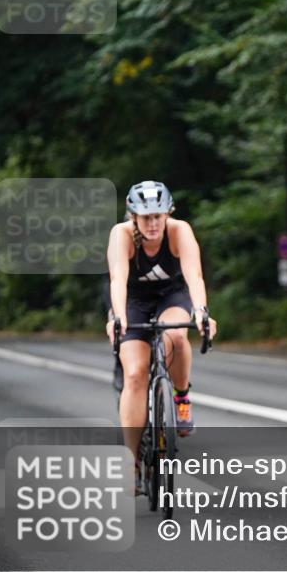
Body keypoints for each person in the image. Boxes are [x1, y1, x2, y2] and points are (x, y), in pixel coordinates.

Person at [106, 181, 217, 492]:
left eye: (158, 216)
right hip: (133, 300)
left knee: (177, 335)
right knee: (135, 374)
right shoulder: (121, 235)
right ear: (133, 217)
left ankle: (180, 398)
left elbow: (194, 275)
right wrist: (119, 318)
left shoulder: (180, 231)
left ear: (168, 213)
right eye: (145, 217)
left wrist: (202, 312)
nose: (153, 224)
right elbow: (117, 280)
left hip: (172, 296)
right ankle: (131, 461)